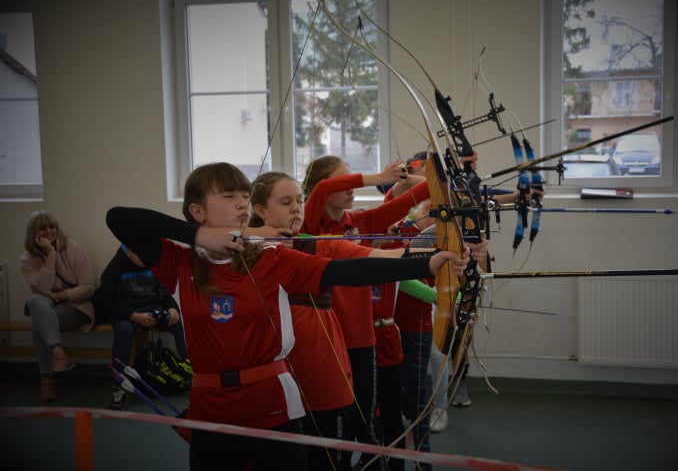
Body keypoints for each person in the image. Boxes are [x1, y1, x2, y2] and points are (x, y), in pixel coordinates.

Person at [105, 162, 468, 471]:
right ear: (197, 211)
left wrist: (429, 263)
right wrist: (199, 236)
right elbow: (119, 218)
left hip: (273, 405)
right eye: (229, 196)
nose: (241, 204)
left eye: (244, 196)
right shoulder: (179, 264)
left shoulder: (272, 258)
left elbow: (347, 270)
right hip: (209, 406)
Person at [302, 155, 431, 470]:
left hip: (363, 339)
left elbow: (415, 196)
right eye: (343, 181)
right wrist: (377, 178)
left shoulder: (362, 222)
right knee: (336, 420)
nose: (350, 188)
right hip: (327, 340)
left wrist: (438, 175)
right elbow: (323, 190)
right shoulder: (310, 225)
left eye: (351, 180)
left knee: (365, 421)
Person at [93, 244, 190, 410]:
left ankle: (191, 374)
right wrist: (133, 316)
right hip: (125, 312)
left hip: (151, 308)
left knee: (177, 322)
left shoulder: (152, 262)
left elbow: (164, 293)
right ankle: (119, 387)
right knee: (124, 329)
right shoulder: (115, 267)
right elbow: (105, 302)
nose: (148, 260)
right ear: (130, 252)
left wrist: (173, 309)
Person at [19, 211, 96, 402]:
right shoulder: (27, 259)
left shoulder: (74, 248)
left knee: (39, 322)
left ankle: (46, 379)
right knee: (35, 302)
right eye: (42, 228)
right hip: (47, 305)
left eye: (52, 227)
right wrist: (51, 255)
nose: (49, 231)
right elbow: (42, 288)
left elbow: (88, 287)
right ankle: (59, 353)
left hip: (77, 305)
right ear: (33, 233)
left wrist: (61, 295)